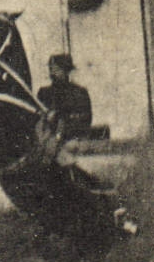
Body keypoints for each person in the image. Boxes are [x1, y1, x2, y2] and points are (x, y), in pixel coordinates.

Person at [35, 54, 138, 236]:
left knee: (84, 173)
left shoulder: (79, 93)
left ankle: (114, 214)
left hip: (74, 141)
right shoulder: (44, 94)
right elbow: (40, 122)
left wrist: (63, 130)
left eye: (57, 68)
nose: (53, 72)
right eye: (51, 68)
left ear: (66, 71)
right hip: (51, 145)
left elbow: (84, 120)